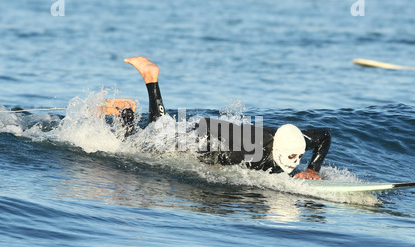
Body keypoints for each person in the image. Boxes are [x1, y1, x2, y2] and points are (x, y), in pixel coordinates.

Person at [120, 56, 331, 180]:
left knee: (158, 130)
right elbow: (210, 172)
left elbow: (324, 135)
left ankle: (131, 105)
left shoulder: (292, 140)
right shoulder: (244, 154)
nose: (297, 162)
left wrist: (313, 169)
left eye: (299, 157)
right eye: (293, 157)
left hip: (229, 132)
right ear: (278, 150)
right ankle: (130, 108)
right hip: (205, 134)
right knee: (141, 146)